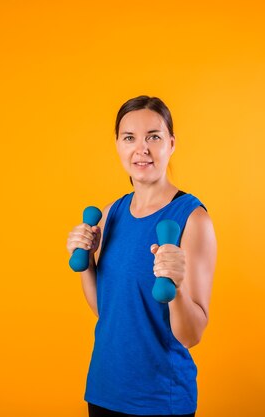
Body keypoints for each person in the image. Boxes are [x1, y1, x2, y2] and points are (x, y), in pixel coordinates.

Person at [66, 96, 217, 417]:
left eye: (154, 136)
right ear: (118, 145)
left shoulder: (193, 219)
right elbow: (105, 311)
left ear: (171, 143)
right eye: (129, 138)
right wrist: (86, 262)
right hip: (104, 390)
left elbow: (192, 336)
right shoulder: (110, 214)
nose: (142, 149)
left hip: (161, 400)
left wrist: (175, 288)